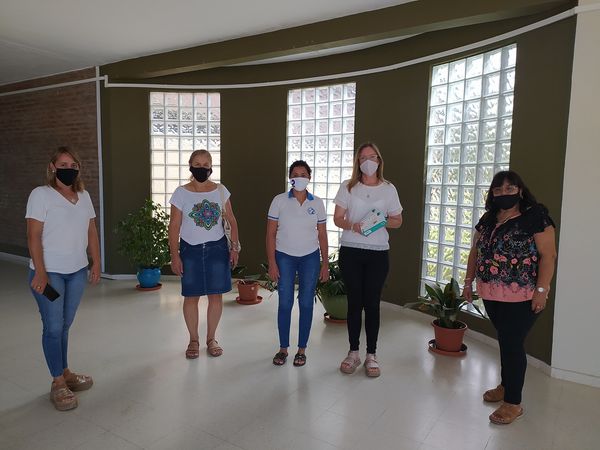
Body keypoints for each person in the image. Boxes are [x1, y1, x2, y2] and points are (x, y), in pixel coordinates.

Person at [463, 170, 557, 425]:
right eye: (498, 190)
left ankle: (513, 403)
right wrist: (468, 282)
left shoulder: (535, 217)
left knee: (512, 344)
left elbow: (548, 256)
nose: (503, 193)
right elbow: (475, 251)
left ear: (520, 190)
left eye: (509, 188)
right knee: (505, 341)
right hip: (491, 293)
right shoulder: (488, 219)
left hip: (523, 296)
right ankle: (506, 385)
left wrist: (541, 291)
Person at [26, 147, 101, 411]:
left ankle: (65, 372)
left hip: (77, 271)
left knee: (65, 325)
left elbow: (91, 231)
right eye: (63, 164)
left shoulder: (84, 196)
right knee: (53, 327)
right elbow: (33, 236)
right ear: (52, 167)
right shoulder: (40, 195)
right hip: (50, 273)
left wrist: (96, 261)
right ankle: (57, 382)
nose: (69, 168)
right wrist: (41, 272)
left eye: (73, 165)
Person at [333, 142, 403, 377]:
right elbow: (337, 218)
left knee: (372, 304)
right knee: (354, 302)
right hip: (351, 250)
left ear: (379, 160)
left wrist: (380, 221)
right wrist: (354, 226)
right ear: (358, 162)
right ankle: (353, 352)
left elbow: (398, 220)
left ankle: (371, 355)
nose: (368, 161)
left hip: (378, 253)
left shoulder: (389, 189)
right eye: (363, 158)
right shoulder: (348, 187)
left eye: (372, 157)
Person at [168, 149, 240, 359]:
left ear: (211, 167)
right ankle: (193, 340)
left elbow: (232, 220)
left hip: (217, 249)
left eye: (205, 164)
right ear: (190, 166)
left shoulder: (220, 190)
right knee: (191, 296)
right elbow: (174, 226)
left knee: (215, 295)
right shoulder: (181, 193)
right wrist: (174, 255)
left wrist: (234, 248)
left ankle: (211, 338)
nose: (201, 168)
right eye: (197, 164)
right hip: (189, 250)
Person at [266, 160, 329, 367]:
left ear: (309, 178)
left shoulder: (317, 203)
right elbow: (270, 234)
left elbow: (322, 235)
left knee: (306, 303)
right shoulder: (279, 201)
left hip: (310, 257)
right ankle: (283, 348)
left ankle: (302, 349)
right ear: (290, 178)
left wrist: (325, 264)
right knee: (285, 303)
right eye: (295, 174)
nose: (299, 177)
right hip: (284, 256)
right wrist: (272, 262)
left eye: (303, 174)